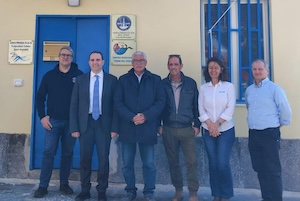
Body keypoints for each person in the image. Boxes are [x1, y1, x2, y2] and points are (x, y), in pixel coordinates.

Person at [114, 51, 165, 201]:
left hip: (147, 127)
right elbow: (118, 102)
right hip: (127, 127)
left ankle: (149, 192)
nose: (138, 62)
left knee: (149, 163)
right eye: (135, 60)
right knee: (127, 164)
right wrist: (131, 117)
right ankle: (130, 191)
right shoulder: (123, 80)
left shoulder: (155, 80)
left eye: (141, 60)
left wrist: (146, 116)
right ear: (131, 63)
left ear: (146, 62)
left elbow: (160, 101)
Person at [34, 46, 83, 198]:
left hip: (71, 123)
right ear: (59, 57)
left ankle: (64, 184)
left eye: (68, 55)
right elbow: (40, 98)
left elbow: (84, 100)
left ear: (72, 58)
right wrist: (42, 116)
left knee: (67, 154)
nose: (65, 57)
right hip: (53, 122)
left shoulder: (79, 75)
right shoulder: (49, 76)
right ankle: (43, 186)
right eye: (63, 55)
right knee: (48, 153)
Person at [69, 51, 118, 201]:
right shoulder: (81, 80)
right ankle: (85, 190)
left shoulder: (112, 80)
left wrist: (115, 127)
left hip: (104, 124)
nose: (95, 62)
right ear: (89, 62)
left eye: (98, 60)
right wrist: (74, 127)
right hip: (86, 124)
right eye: (92, 60)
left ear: (103, 62)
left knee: (103, 160)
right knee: (85, 158)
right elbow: (74, 105)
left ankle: (102, 191)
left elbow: (116, 105)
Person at [245, 59, 292, 201]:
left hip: (269, 134)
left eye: (260, 69)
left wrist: (279, 124)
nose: (257, 72)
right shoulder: (249, 90)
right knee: (260, 168)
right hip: (254, 134)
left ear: (267, 71)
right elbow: (249, 108)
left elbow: (285, 110)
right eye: (254, 69)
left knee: (273, 170)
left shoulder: (274, 89)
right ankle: (266, 197)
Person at [158, 54, 200, 201]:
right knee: (173, 162)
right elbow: (158, 106)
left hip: (187, 129)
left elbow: (196, 105)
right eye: (171, 64)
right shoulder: (162, 84)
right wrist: (159, 125)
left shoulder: (190, 83)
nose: (173, 67)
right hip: (168, 128)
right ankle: (178, 191)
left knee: (191, 161)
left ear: (181, 66)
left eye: (176, 64)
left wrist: (197, 125)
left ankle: (193, 192)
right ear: (168, 66)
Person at [198, 57, 236, 201]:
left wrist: (217, 124)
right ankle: (216, 194)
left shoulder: (228, 87)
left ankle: (226, 194)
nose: (213, 70)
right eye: (210, 68)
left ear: (221, 70)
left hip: (225, 130)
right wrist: (210, 125)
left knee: (222, 163)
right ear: (207, 71)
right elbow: (200, 109)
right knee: (213, 164)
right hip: (208, 131)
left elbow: (230, 108)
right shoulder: (203, 88)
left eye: (216, 67)